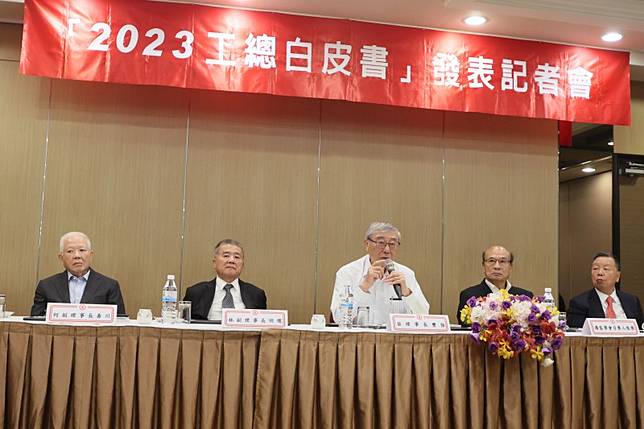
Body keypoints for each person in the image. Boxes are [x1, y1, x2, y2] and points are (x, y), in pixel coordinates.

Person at [330, 222, 430, 325]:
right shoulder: (348, 273)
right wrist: (364, 287)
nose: (387, 250)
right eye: (381, 243)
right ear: (367, 244)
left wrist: (407, 293)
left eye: (392, 244)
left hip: (394, 335)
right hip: (360, 335)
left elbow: (424, 316)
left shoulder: (406, 274)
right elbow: (338, 318)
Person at [31, 232, 126, 316]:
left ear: (91, 255)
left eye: (82, 250)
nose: (77, 256)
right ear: (61, 257)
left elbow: (120, 322)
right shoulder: (46, 286)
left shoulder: (109, 286)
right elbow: (35, 322)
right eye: (70, 251)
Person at [183, 239, 267, 320]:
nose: (231, 260)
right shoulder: (195, 293)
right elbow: (184, 324)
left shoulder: (256, 295)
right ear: (214, 263)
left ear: (242, 265)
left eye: (237, 257)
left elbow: (262, 326)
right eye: (226, 256)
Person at [457, 245, 533, 326]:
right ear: (483, 265)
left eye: (502, 261)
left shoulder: (525, 297)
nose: (497, 266)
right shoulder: (469, 296)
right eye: (491, 261)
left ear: (510, 266)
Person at [567, 252, 644, 328]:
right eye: (595, 268)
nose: (600, 273)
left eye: (606, 269)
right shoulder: (579, 303)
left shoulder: (632, 301)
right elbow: (576, 333)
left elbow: (640, 330)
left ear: (617, 276)